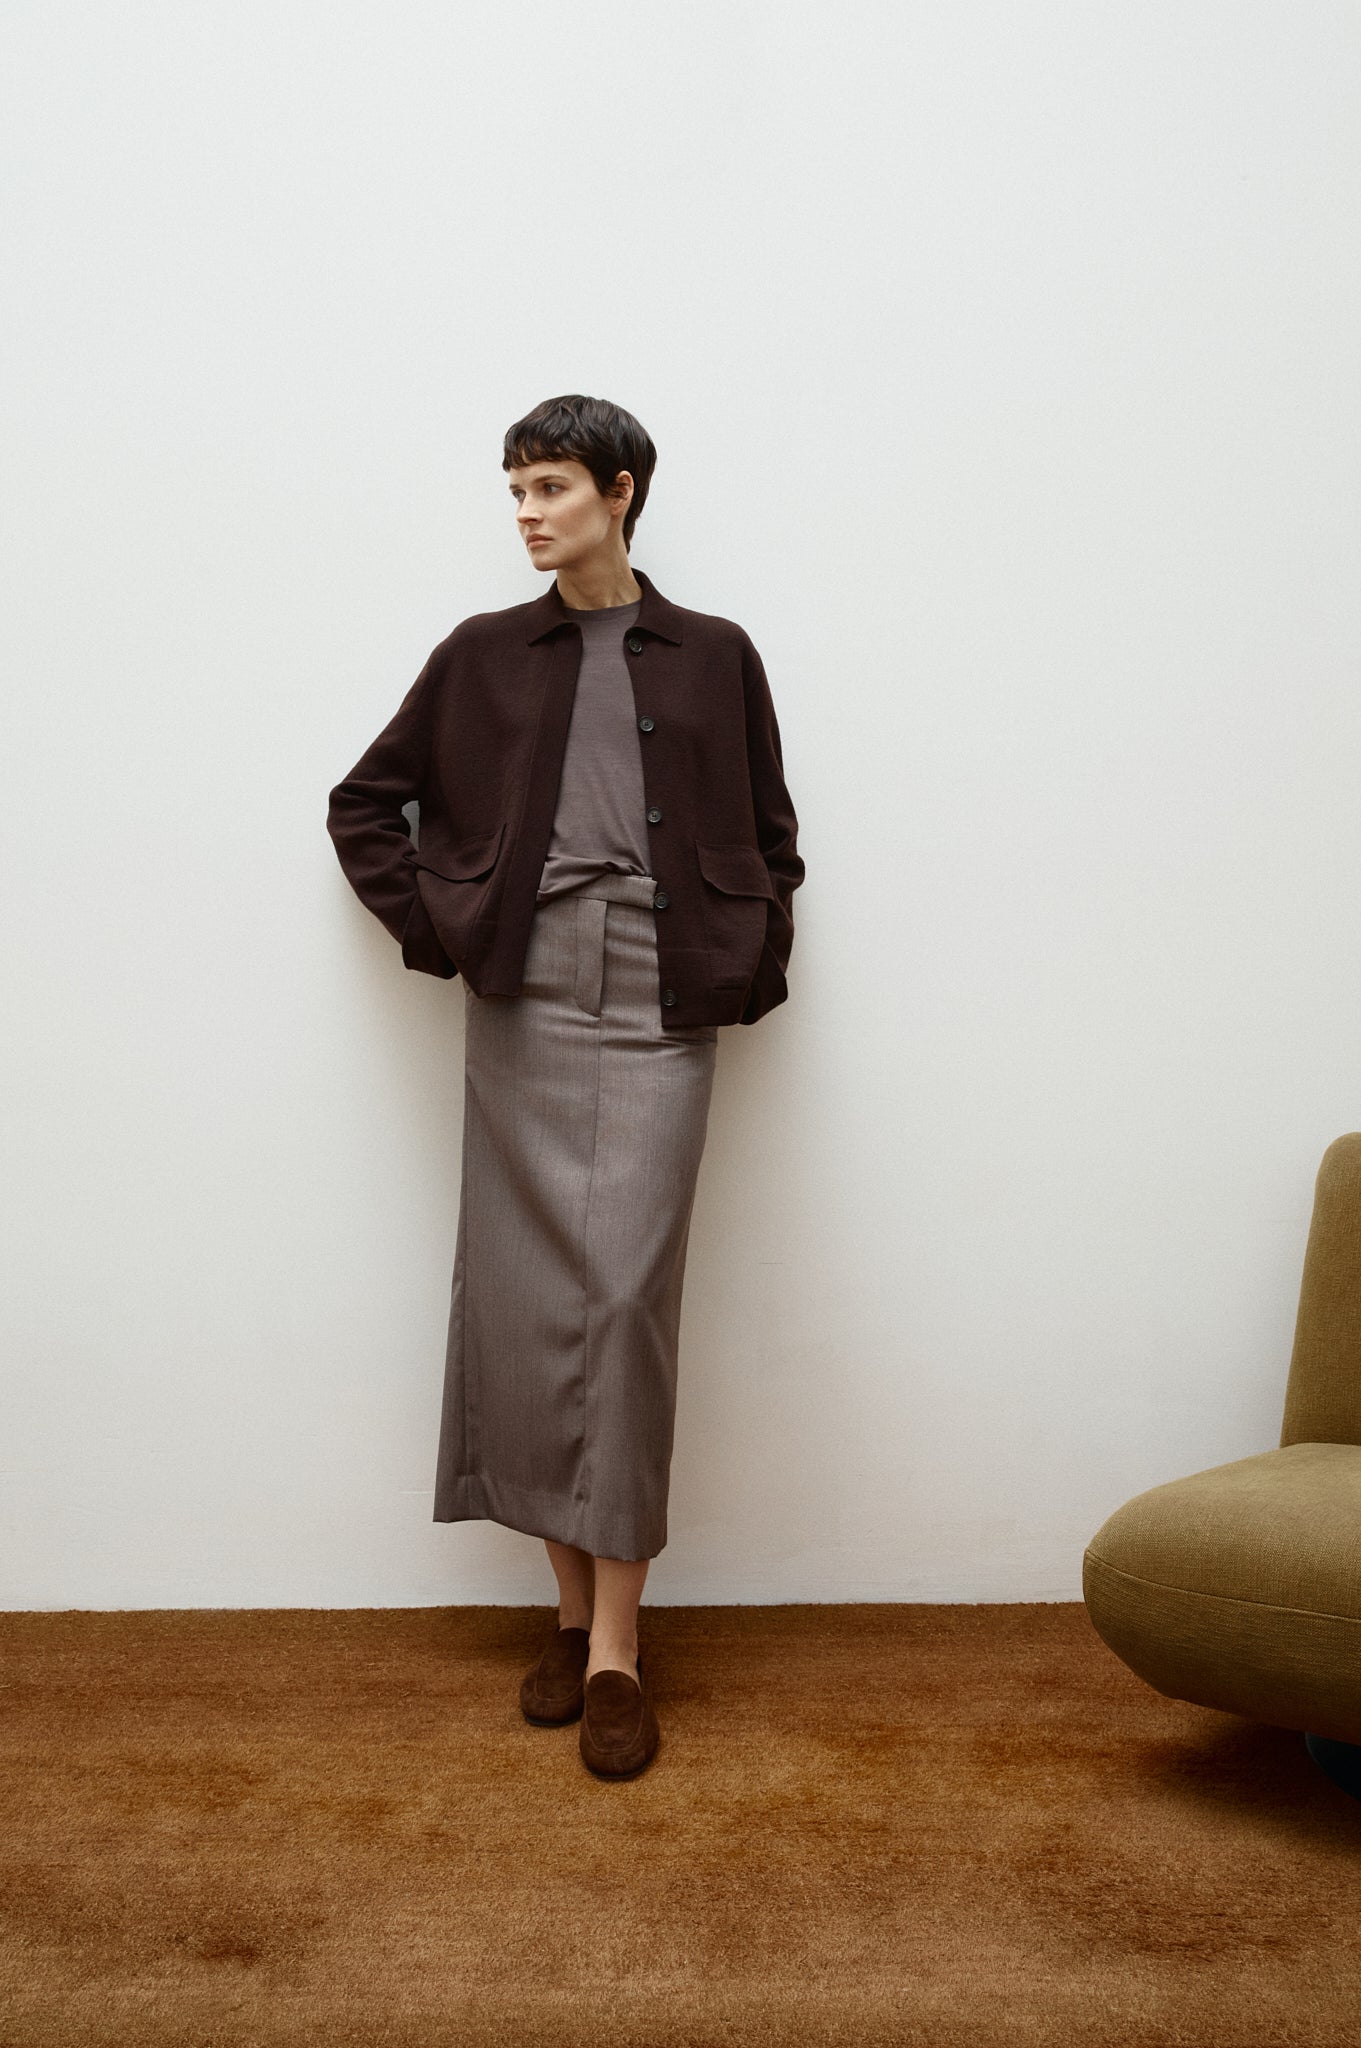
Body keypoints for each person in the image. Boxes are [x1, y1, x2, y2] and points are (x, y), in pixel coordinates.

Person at [326, 393, 803, 1778]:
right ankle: (567, 1617)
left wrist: (751, 939)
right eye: (514, 490)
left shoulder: (714, 655)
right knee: (533, 1300)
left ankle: (618, 1649)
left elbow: (772, 832)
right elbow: (366, 802)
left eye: (548, 487)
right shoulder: (482, 655)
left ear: (620, 489)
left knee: (622, 1306)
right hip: (525, 998)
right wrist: (446, 922)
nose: (527, 513)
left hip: (663, 999)